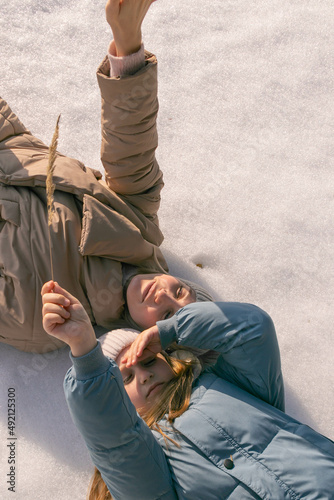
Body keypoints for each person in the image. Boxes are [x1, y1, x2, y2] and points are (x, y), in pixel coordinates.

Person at [0, 0, 210, 354]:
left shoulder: (44, 324)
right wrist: (128, 46)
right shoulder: (136, 221)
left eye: (167, 315)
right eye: (180, 291)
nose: (162, 295)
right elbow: (132, 144)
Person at [41, 281, 334, 500]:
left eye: (147, 361)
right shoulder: (140, 461)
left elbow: (253, 329)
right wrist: (85, 351)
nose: (143, 375)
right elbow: (114, 441)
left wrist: (170, 331)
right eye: (125, 378)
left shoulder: (229, 384)